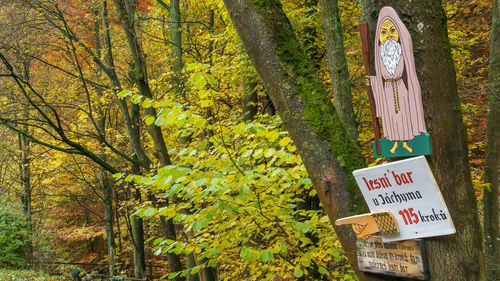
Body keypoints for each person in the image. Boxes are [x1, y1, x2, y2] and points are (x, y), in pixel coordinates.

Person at [369, 6, 427, 154]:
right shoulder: (381, 56)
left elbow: (410, 72)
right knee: (391, 118)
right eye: (384, 32)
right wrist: (372, 82)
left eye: (392, 31)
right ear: (379, 36)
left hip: (402, 88)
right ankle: (394, 142)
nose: (388, 35)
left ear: (398, 33)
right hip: (387, 90)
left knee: (404, 114)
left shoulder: (402, 52)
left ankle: (406, 142)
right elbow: (380, 78)